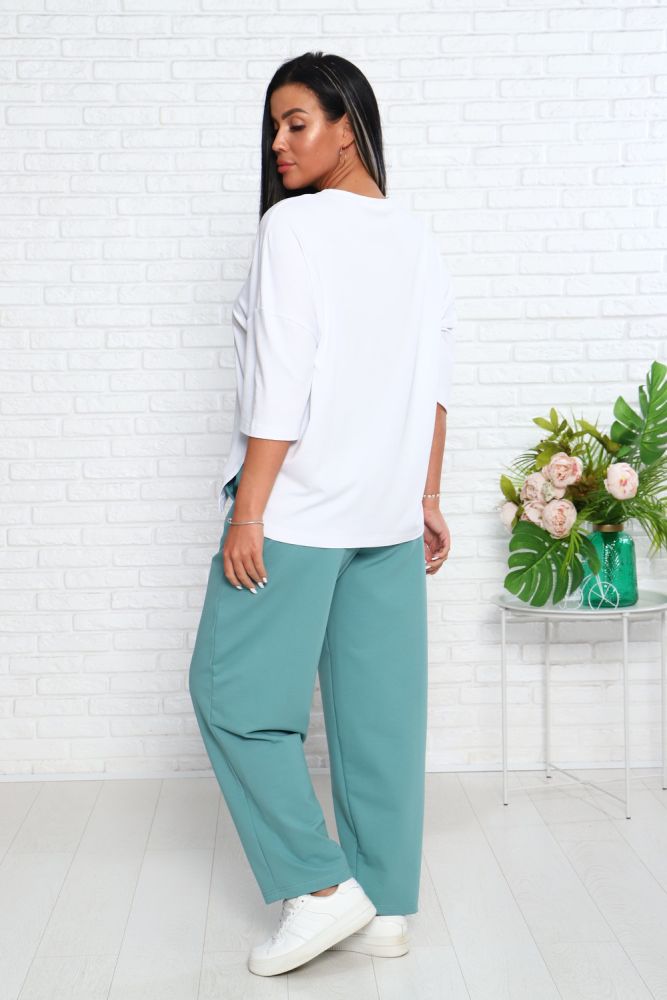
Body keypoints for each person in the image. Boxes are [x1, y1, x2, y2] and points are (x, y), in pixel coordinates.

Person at [188, 51, 456, 979]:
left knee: (229, 697)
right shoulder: (416, 237)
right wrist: (425, 497)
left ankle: (320, 884)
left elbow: (281, 376)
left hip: (297, 511)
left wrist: (248, 513)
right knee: (378, 719)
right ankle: (382, 908)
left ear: (348, 126)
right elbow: (434, 385)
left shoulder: (292, 228)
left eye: (296, 122)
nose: (279, 142)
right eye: (272, 126)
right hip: (386, 513)